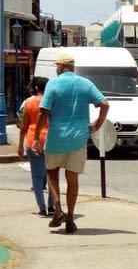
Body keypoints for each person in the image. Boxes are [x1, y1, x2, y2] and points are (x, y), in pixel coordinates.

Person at [32, 53, 109, 234]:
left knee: (51, 172)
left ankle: (58, 208)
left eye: (56, 66)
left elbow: (43, 112)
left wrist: (36, 137)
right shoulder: (86, 84)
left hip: (56, 138)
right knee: (72, 178)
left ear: (60, 67)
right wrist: (97, 125)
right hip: (78, 139)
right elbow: (104, 104)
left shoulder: (53, 83)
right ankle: (71, 219)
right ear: (72, 67)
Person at [18, 76, 55, 216]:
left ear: (36, 88)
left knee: (37, 177)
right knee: (52, 174)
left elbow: (22, 125)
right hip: (51, 141)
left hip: (33, 141)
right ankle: (52, 204)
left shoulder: (28, 102)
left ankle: (42, 207)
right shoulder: (52, 101)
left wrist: (20, 146)